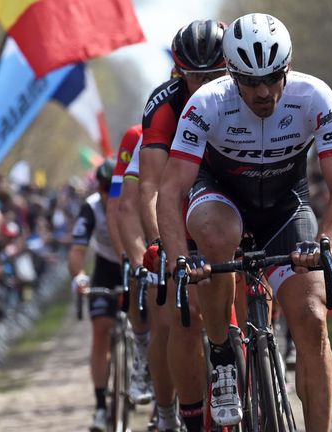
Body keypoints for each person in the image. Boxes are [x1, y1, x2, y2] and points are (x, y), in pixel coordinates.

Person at [158, 13, 332, 430]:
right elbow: (173, 188)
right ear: (231, 74)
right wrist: (180, 260)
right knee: (217, 233)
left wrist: (324, 245)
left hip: (286, 207)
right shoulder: (206, 103)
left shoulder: (314, 96)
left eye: (272, 77)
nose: (263, 91)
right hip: (221, 199)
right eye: (250, 81)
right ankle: (222, 355)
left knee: (312, 320)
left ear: (287, 67)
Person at [137, 19, 227, 432]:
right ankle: (186, 417)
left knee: (248, 289)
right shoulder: (163, 106)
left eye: (215, 74)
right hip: (183, 207)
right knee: (185, 313)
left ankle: (258, 357)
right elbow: (153, 185)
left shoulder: (247, 93)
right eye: (196, 76)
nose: (206, 84)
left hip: (235, 201)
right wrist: (160, 244)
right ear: (179, 72)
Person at [67, 160, 124, 432]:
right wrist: (79, 276)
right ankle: (101, 406)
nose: (106, 194)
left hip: (133, 265)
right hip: (105, 269)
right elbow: (77, 251)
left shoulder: (134, 198)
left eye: (112, 188)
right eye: (103, 188)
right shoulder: (90, 207)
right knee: (101, 329)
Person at [104, 124, 154, 405]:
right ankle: (143, 351)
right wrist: (127, 256)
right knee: (138, 277)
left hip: (186, 218)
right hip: (143, 227)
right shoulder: (137, 136)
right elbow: (116, 206)